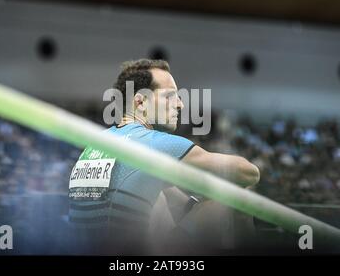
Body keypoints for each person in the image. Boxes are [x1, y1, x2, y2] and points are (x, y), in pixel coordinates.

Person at [68, 59, 260, 254]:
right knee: (238, 195)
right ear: (141, 102)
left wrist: (193, 200)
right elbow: (249, 173)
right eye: (171, 96)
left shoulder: (95, 143)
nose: (180, 104)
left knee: (160, 192)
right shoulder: (154, 142)